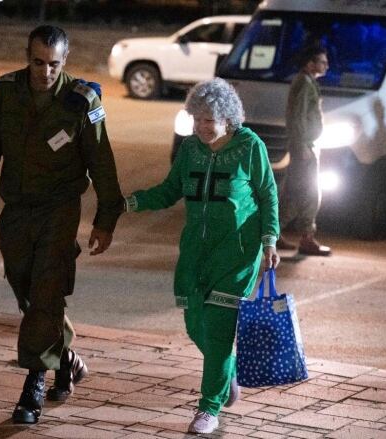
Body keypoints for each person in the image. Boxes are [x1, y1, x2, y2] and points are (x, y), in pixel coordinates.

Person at [0, 25, 123, 424]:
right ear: (27, 56)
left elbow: (102, 161)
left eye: (54, 64)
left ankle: (34, 383)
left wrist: (105, 219)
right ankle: (66, 358)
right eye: (37, 62)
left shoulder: (82, 101)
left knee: (47, 288)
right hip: (16, 209)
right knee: (27, 287)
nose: (45, 72)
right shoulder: (6, 91)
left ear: (64, 62)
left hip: (59, 208)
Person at [123, 78, 280, 435]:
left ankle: (209, 408)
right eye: (197, 119)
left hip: (238, 253)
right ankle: (226, 373)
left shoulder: (249, 146)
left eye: (210, 120)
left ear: (229, 119)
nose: (202, 127)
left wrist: (270, 239)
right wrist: (128, 203)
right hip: (195, 250)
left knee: (220, 330)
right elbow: (168, 191)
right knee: (196, 325)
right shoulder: (190, 149)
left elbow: (268, 193)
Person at [275, 45, 331, 256]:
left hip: (307, 146)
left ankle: (273, 235)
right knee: (308, 193)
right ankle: (307, 237)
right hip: (305, 148)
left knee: (293, 192)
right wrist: (302, 146)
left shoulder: (308, 83)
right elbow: (296, 116)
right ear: (310, 64)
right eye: (322, 62)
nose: (327, 66)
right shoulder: (304, 84)